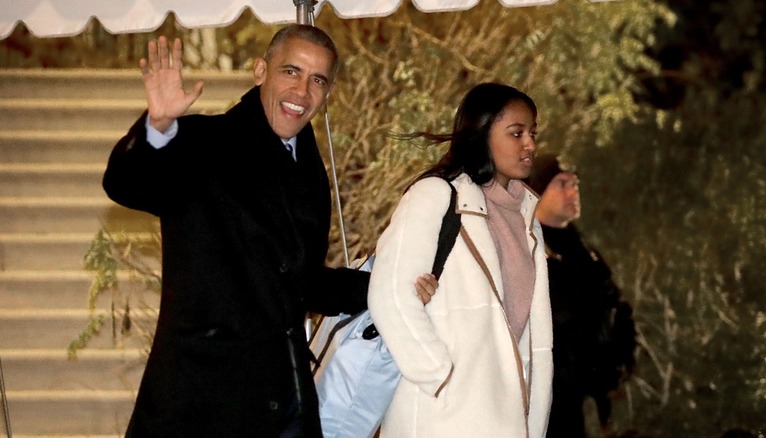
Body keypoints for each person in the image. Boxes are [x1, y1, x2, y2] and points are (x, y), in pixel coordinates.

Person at [103, 25, 372, 437]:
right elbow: (126, 184)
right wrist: (157, 126)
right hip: (204, 401)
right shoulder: (205, 143)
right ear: (260, 70)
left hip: (286, 397)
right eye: (291, 72)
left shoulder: (310, 171)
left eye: (317, 80)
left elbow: (301, 283)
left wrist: (386, 287)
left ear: (328, 93)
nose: (302, 92)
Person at [367, 82, 553, 438]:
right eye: (517, 133)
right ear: (482, 134)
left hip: (510, 418)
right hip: (442, 417)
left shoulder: (527, 217)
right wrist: (442, 376)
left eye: (533, 133)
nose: (530, 144)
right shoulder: (436, 195)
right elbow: (390, 294)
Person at [525, 153, 637, 438]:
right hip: (549, 402)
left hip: (593, 398)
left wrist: (619, 362)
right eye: (561, 184)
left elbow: (616, 310)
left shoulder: (586, 252)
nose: (573, 191)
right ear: (536, 193)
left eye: (575, 183)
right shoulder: (527, 250)